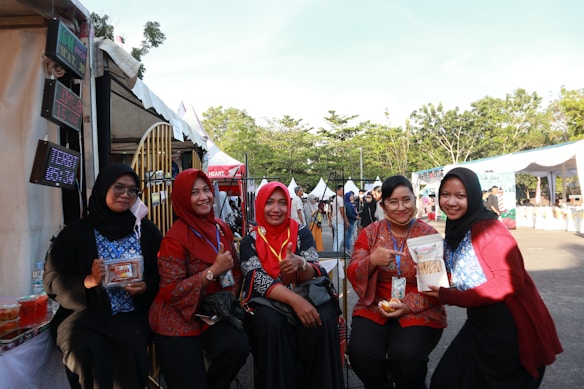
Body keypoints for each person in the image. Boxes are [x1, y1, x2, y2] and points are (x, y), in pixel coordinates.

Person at [426, 167, 562, 389]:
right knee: (447, 379)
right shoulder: (459, 227)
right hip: (481, 322)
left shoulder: (488, 230)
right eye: (445, 195)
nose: (451, 202)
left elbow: (509, 282)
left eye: (461, 196)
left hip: (510, 326)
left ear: (473, 195)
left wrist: (449, 296)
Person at [43, 163, 162, 389]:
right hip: (84, 315)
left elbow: (163, 273)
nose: (125, 195)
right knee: (83, 348)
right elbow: (51, 280)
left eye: (132, 190)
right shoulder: (74, 233)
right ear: (103, 188)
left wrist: (146, 285)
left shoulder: (145, 231)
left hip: (131, 314)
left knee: (130, 346)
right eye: (118, 187)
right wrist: (88, 281)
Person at [148, 169, 249, 389]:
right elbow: (170, 291)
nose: (203, 197)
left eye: (206, 190)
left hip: (209, 312)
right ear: (184, 198)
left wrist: (226, 298)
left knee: (237, 346)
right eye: (194, 192)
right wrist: (212, 271)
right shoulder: (174, 239)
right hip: (176, 319)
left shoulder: (220, 228)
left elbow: (235, 271)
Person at [240, 182, 344, 389]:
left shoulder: (301, 232)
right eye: (269, 203)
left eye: (282, 203)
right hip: (268, 301)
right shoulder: (249, 240)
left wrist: (301, 264)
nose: (276, 209)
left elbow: (315, 269)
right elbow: (256, 278)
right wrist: (296, 302)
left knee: (322, 318)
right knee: (271, 323)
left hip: (305, 291)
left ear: (289, 206)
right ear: (260, 205)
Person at [347, 175, 446, 389]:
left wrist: (408, 305)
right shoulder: (370, 233)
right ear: (382, 205)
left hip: (419, 305)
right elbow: (353, 272)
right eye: (393, 202)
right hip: (376, 303)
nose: (401, 207)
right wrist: (372, 260)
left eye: (406, 200)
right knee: (360, 352)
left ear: (414, 200)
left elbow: (435, 283)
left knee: (406, 357)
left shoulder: (428, 235)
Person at [329, 185, 348, 253]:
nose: (343, 191)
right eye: (342, 190)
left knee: (337, 238)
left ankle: (335, 252)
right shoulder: (339, 199)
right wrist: (346, 221)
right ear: (338, 191)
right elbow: (342, 211)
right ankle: (336, 253)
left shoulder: (335, 199)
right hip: (339, 220)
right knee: (339, 238)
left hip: (335, 219)